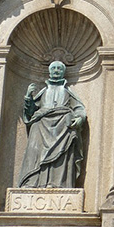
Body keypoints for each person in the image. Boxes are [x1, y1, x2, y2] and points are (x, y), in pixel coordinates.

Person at [18, 60, 87, 189]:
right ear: (49, 71)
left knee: (61, 153)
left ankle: (57, 183)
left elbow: (79, 108)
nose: (56, 71)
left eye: (59, 69)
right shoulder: (44, 91)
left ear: (64, 72)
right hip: (41, 125)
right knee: (35, 153)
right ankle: (33, 182)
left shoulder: (67, 92)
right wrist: (28, 97)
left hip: (62, 126)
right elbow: (31, 111)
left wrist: (80, 118)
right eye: (54, 68)